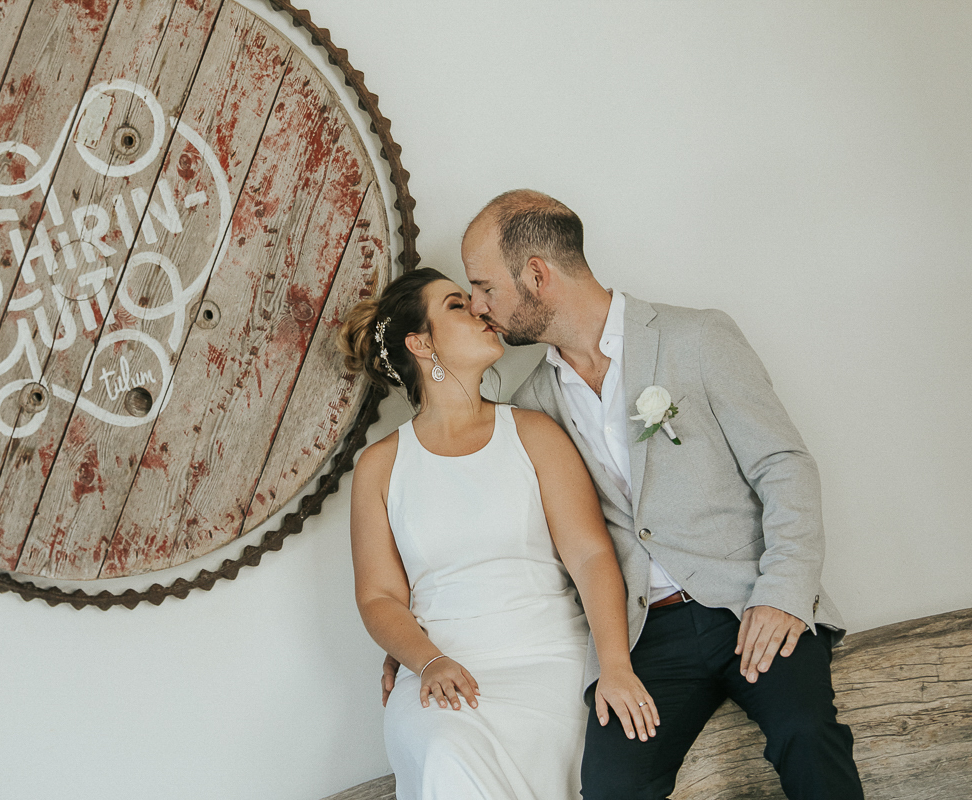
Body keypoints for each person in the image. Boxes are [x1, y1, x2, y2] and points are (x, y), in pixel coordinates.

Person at [446, 189, 862, 799]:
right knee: (612, 786)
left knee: (807, 734)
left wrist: (784, 594)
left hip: (747, 600)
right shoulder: (533, 402)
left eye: (484, 286)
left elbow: (785, 466)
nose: (480, 306)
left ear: (537, 276)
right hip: (644, 637)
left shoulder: (695, 336)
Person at [339, 267, 659, 800]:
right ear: (421, 343)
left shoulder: (534, 433)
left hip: (551, 661)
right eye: (457, 307)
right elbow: (378, 597)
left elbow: (590, 556)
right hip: (441, 667)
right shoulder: (380, 466)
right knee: (446, 750)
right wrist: (428, 660)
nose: (482, 311)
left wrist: (615, 666)